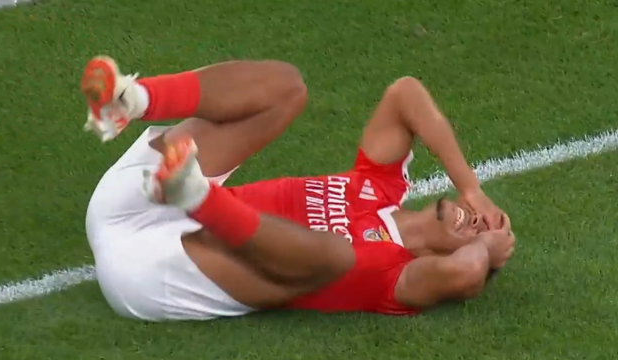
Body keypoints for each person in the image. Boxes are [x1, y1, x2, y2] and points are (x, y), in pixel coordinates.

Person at [82, 55, 515, 321]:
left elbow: (465, 271)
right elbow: (406, 94)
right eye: (482, 222)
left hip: (151, 276)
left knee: (337, 256)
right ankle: (133, 100)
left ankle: (196, 195)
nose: (477, 223)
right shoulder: (381, 185)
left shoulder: (395, 277)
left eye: (477, 232)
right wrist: (474, 190)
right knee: (288, 87)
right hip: (134, 201)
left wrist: (489, 252)